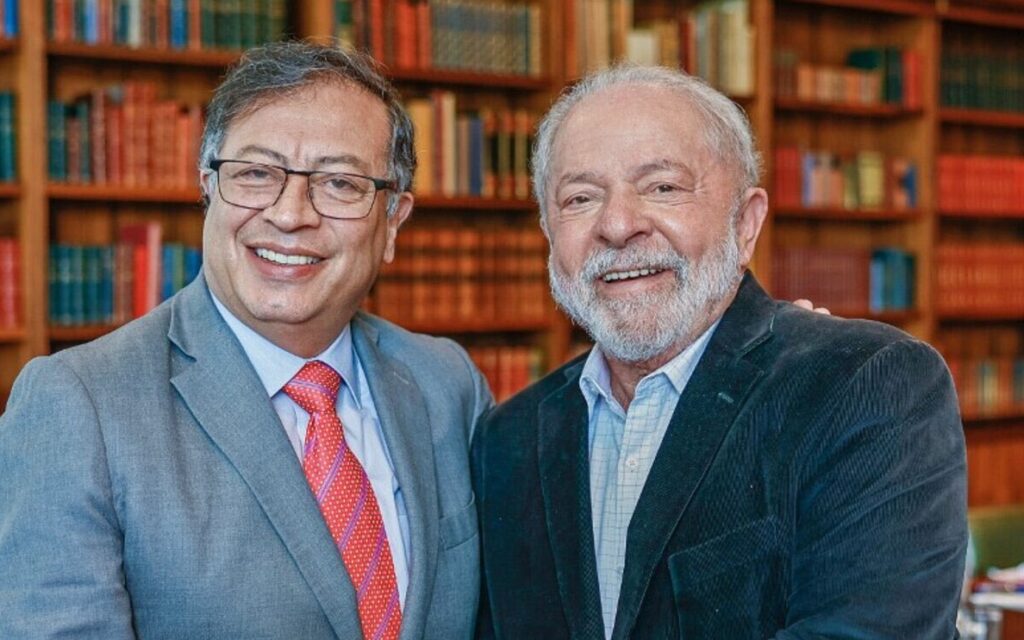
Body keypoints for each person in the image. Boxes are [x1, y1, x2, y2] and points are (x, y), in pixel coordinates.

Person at [0, 41, 489, 639]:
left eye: (339, 184)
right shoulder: (78, 406)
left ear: (392, 222)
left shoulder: (449, 384)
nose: (289, 215)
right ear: (208, 188)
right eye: (256, 174)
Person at [472, 65, 968, 639]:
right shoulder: (506, 440)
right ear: (549, 234)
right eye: (580, 198)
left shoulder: (864, 385)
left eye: (663, 187)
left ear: (747, 223)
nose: (617, 224)